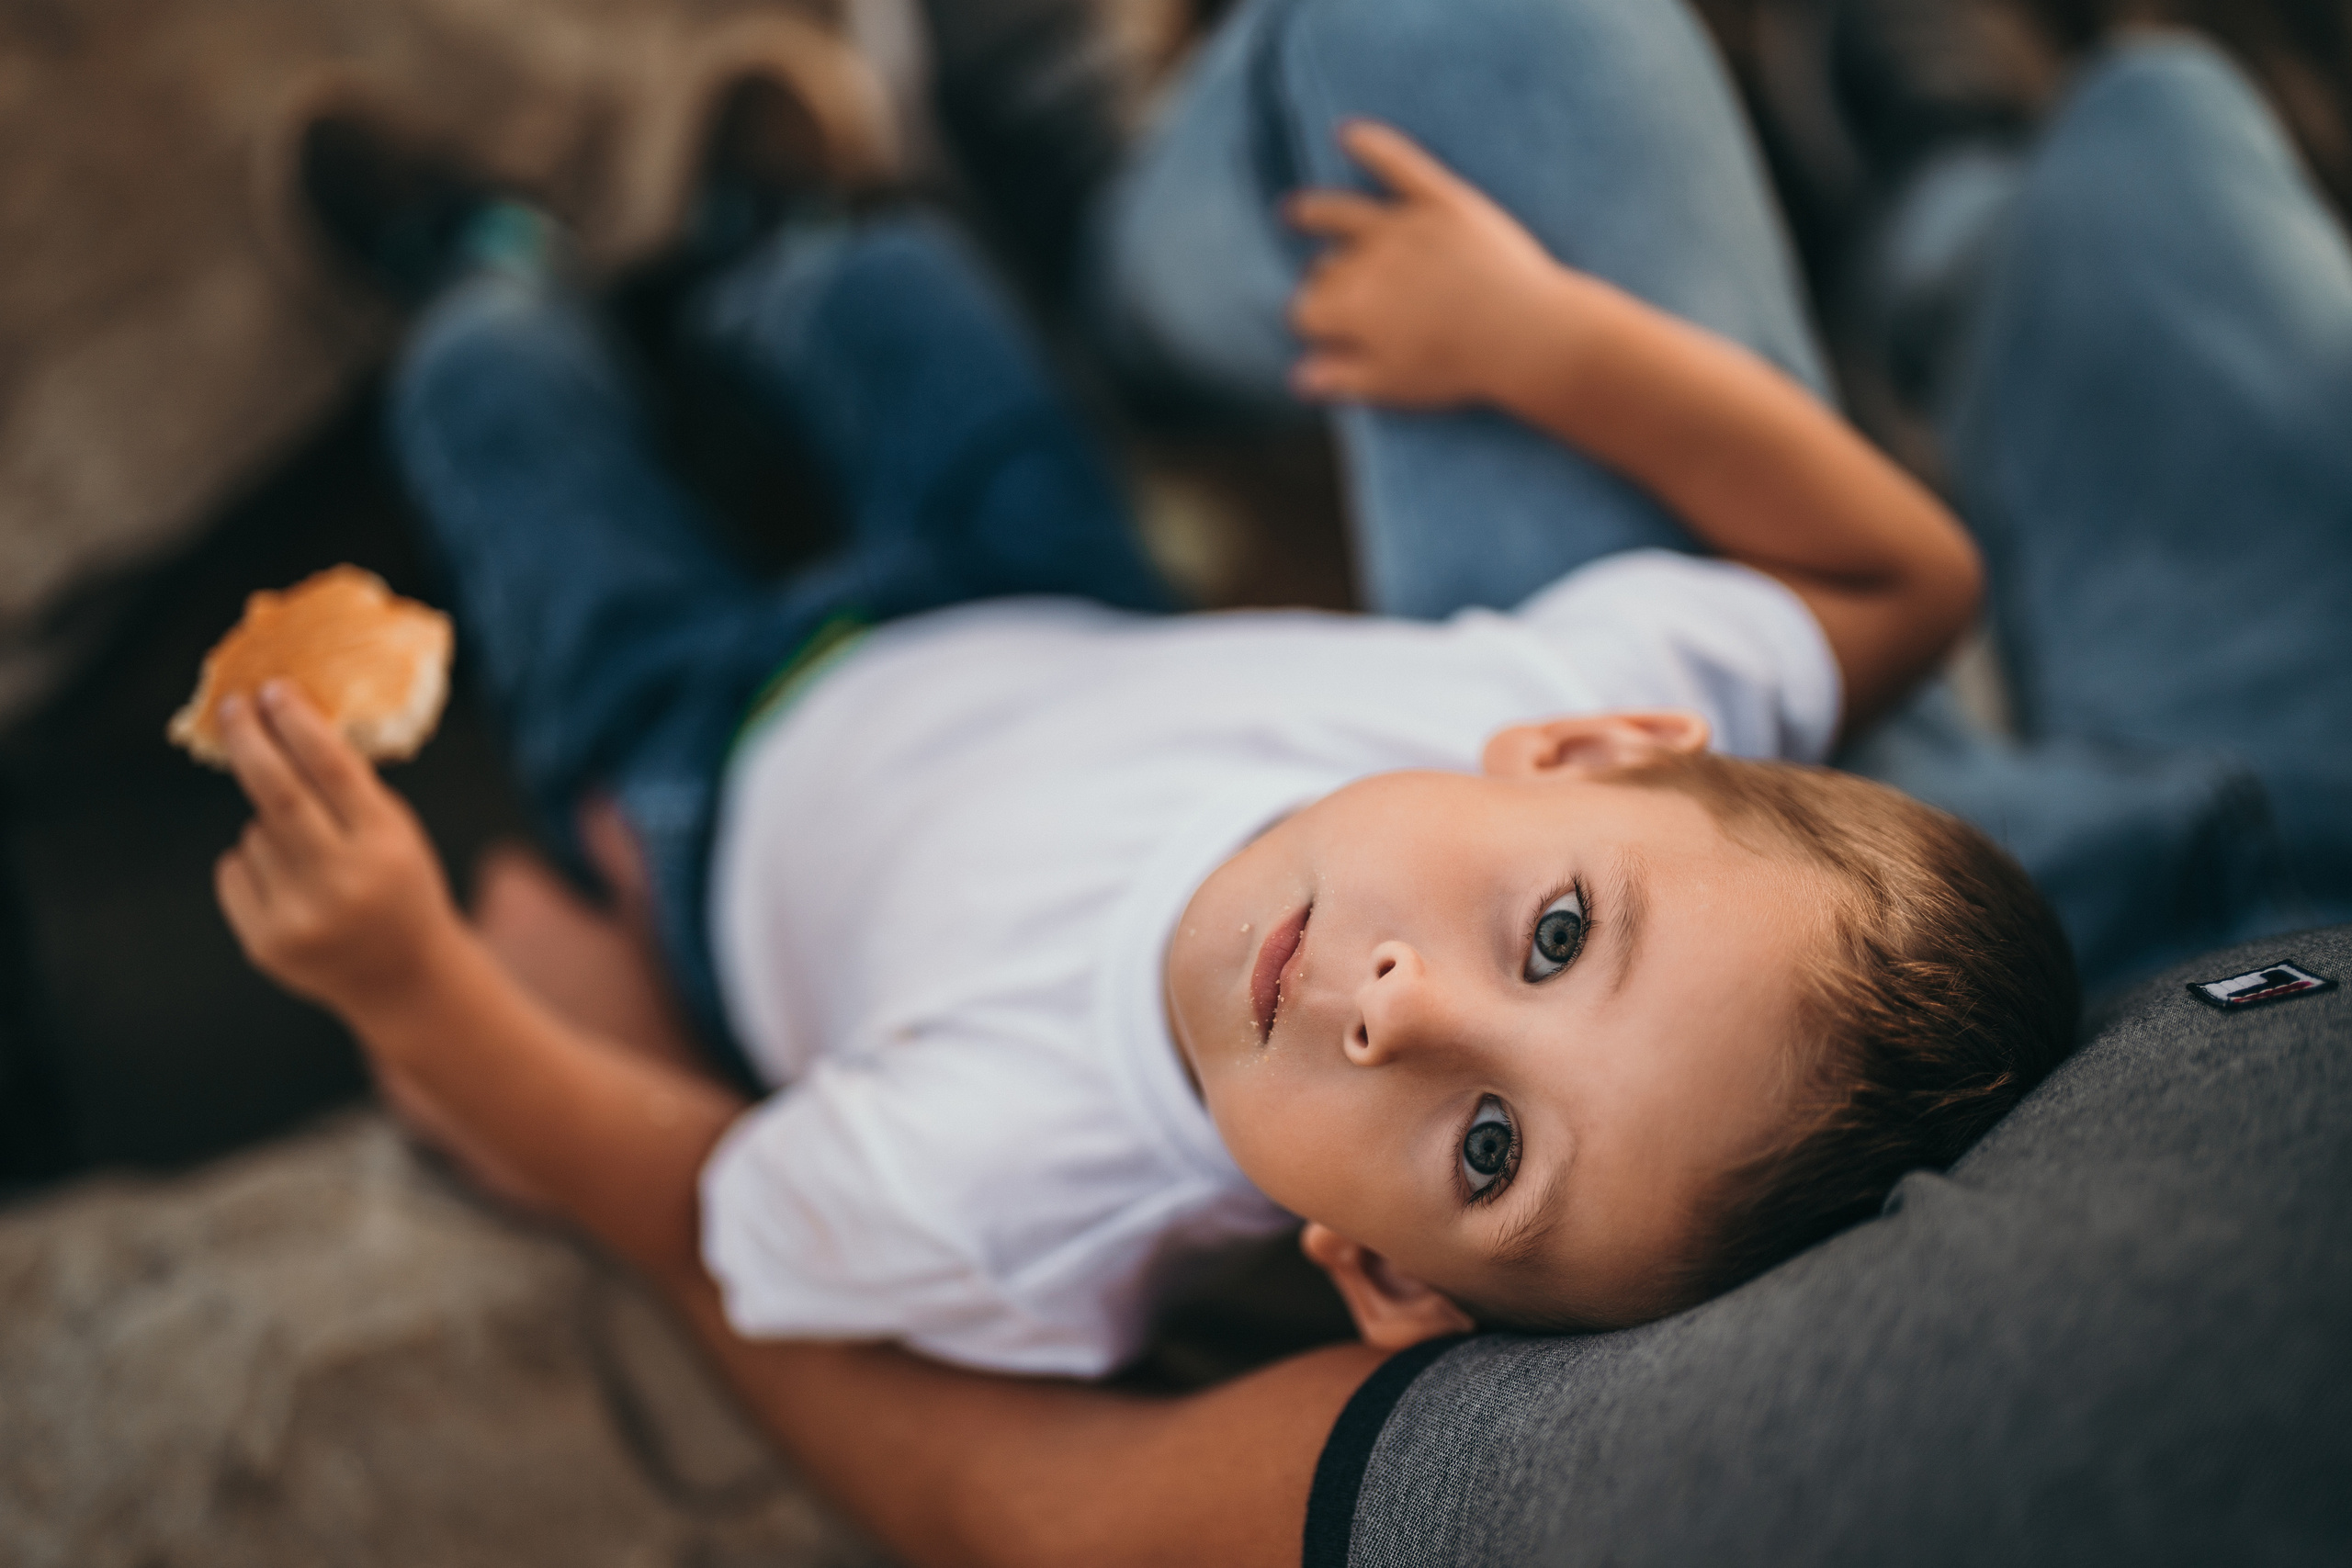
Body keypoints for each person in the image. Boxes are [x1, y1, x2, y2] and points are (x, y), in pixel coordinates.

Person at [209, 0, 2352, 1559]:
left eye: (1490, 1142)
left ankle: (486, 295)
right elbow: (1895, 571)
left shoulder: (1006, 1199)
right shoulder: (1548, 675)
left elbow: (721, 1216)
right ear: (1595, 751)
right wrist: (1536, 341)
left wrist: (442, 1002)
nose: (1401, 1008)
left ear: (1392, 1284)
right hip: (1051, 602)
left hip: (710, 786)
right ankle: (801, 251)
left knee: (536, 486)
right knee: (920, 333)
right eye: (1554, 928)